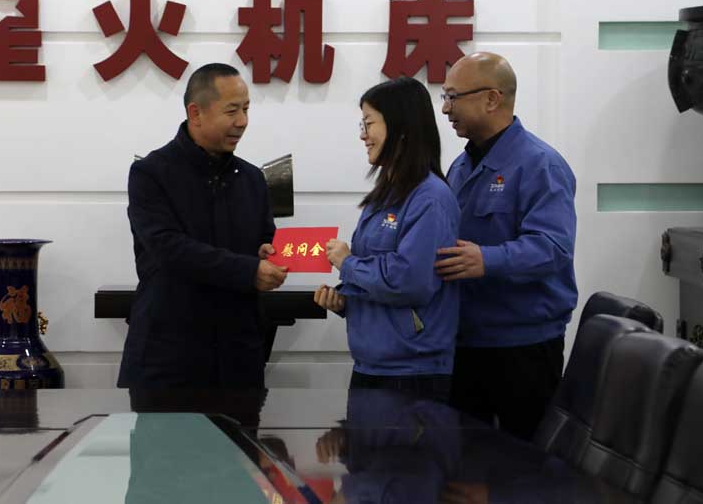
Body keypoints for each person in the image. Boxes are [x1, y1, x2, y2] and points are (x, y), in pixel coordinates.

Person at [116, 63, 288, 390]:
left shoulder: (252, 179)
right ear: (195, 113)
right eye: (232, 111)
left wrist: (266, 253)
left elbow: (264, 238)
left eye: (247, 109)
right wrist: (248, 270)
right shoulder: (151, 173)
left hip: (238, 358)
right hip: (168, 357)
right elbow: (169, 249)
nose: (243, 121)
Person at [434, 52, 577, 441]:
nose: (445, 109)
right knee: (466, 461)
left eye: (453, 97)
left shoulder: (540, 164)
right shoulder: (460, 166)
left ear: (491, 99)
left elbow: (553, 247)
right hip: (466, 342)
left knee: (521, 463)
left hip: (522, 348)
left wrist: (487, 259)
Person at [315, 77, 461, 401]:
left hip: (412, 375)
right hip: (372, 365)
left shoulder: (430, 198)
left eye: (369, 124)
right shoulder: (386, 195)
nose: (363, 135)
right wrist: (346, 301)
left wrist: (348, 263)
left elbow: (410, 281)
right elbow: (379, 275)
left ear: (401, 128)